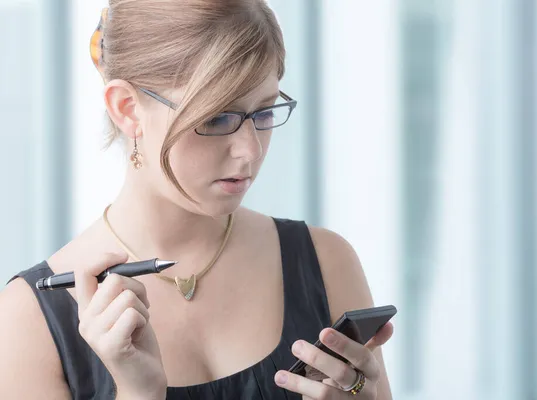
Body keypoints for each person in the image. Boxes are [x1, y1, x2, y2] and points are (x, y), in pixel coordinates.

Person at [0, 1, 394, 398]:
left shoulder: (326, 261)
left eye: (265, 112)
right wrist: (138, 392)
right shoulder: (28, 320)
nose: (250, 151)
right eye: (216, 118)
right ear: (127, 108)